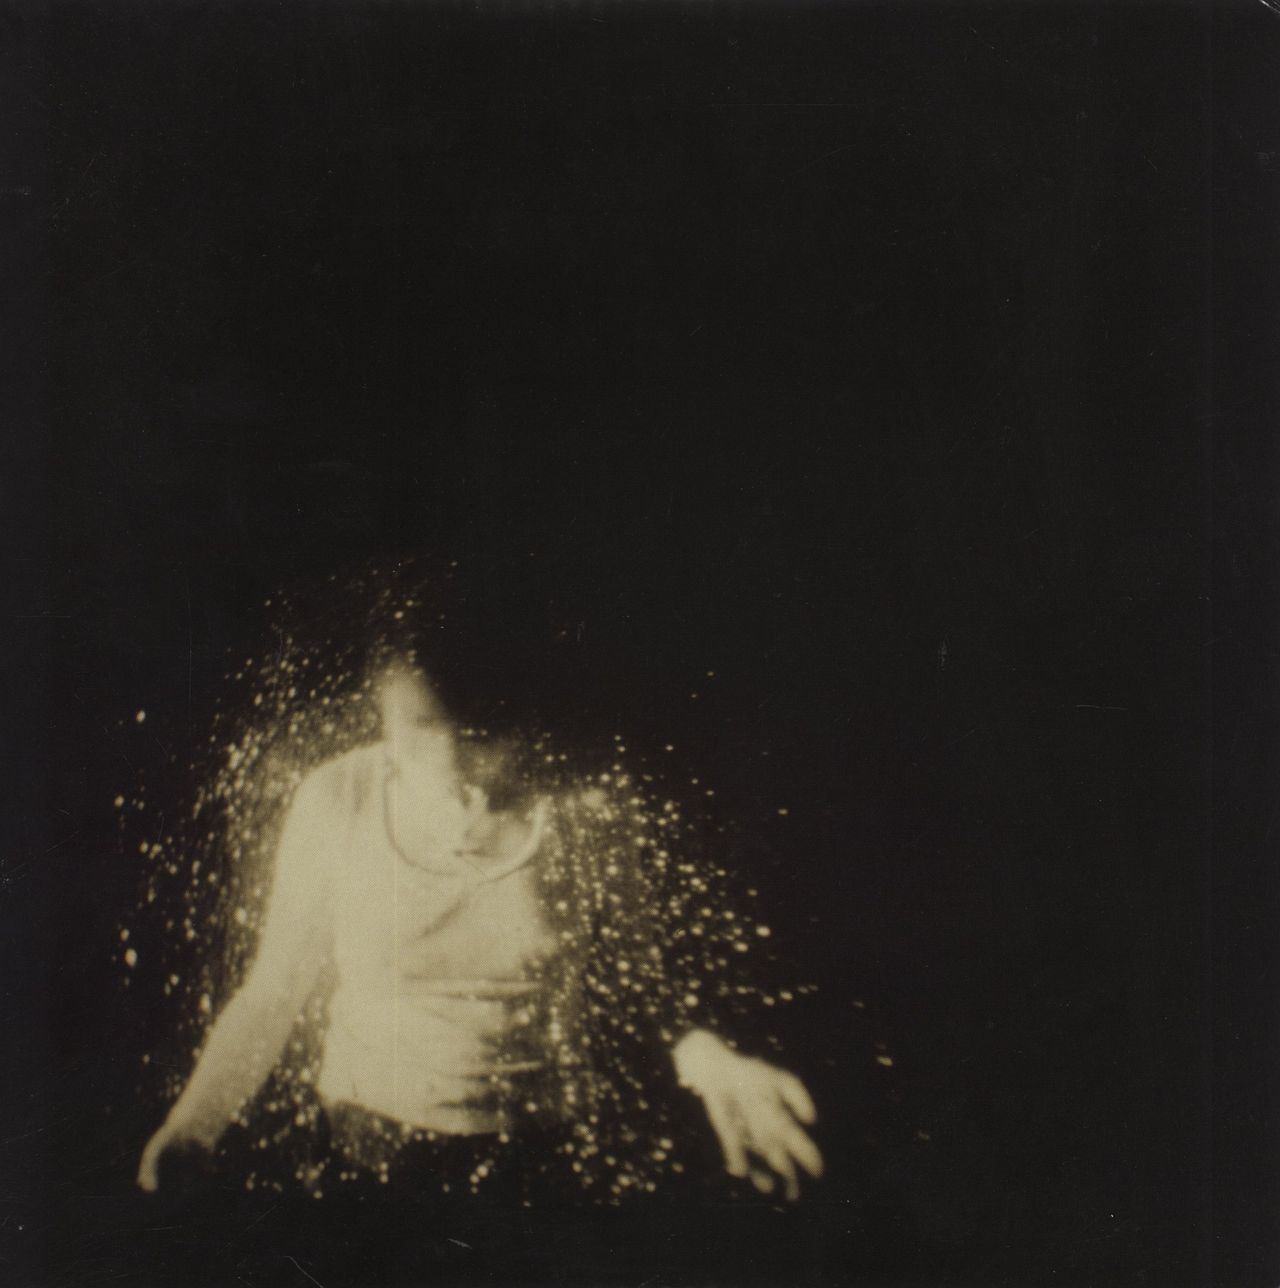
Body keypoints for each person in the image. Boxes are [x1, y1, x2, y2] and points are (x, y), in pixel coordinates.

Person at [137, 661, 824, 1201]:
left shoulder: (584, 805)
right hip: (365, 1144)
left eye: (471, 736)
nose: (446, 761)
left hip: (545, 1152)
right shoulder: (338, 795)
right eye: (417, 729)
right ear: (384, 708)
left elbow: (642, 993)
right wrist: (194, 1127)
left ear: (520, 722)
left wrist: (712, 1063)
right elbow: (274, 990)